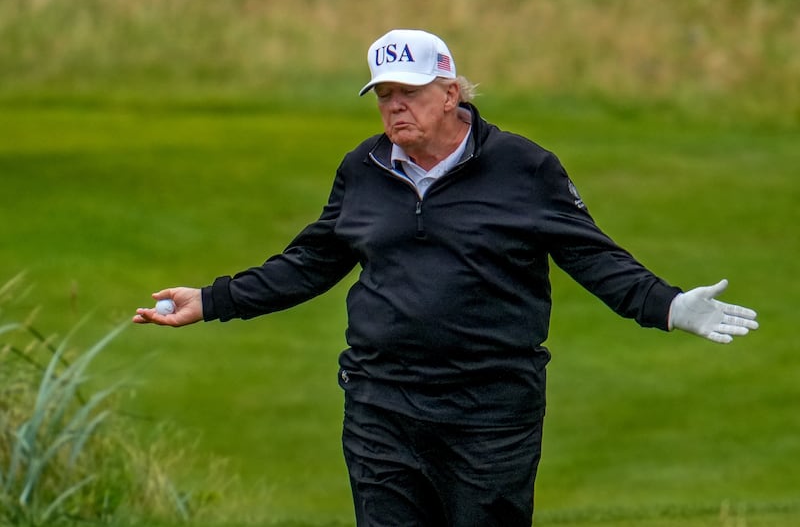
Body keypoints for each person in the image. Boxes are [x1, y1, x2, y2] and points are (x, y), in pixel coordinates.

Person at [134, 29, 759, 527]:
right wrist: (212, 299)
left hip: (490, 413)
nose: (394, 106)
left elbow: (593, 257)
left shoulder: (524, 168)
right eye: (384, 94)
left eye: (408, 91)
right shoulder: (363, 167)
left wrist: (669, 306)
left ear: (451, 93)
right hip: (381, 404)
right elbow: (310, 261)